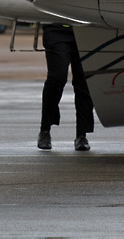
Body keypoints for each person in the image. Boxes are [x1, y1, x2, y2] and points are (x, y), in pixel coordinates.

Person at [38, 23, 94, 151]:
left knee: (83, 81)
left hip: (85, 28)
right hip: (56, 28)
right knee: (57, 77)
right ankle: (45, 130)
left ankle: (82, 135)